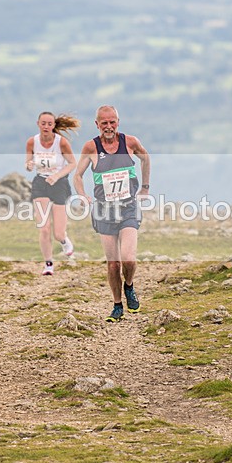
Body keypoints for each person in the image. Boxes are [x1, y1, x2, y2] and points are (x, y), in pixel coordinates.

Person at [73, 105, 151, 322]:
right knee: (113, 263)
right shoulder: (91, 147)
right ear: (97, 124)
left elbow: (145, 158)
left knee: (128, 259)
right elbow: (77, 176)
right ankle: (117, 305)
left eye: (112, 122)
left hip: (128, 208)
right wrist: (82, 195)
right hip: (104, 211)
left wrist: (145, 187)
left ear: (118, 122)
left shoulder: (130, 142)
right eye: (104, 123)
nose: (109, 127)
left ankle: (129, 286)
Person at [26, 111, 80, 275]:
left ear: (54, 125)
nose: (46, 126)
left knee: (58, 233)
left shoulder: (61, 142)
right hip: (40, 183)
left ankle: (64, 240)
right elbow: (28, 162)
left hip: (59, 184)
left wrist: (56, 176)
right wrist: (29, 165)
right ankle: (48, 264)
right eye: (43, 123)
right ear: (38, 124)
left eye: (49, 124)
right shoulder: (32, 142)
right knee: (43, 228)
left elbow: (72, 163)